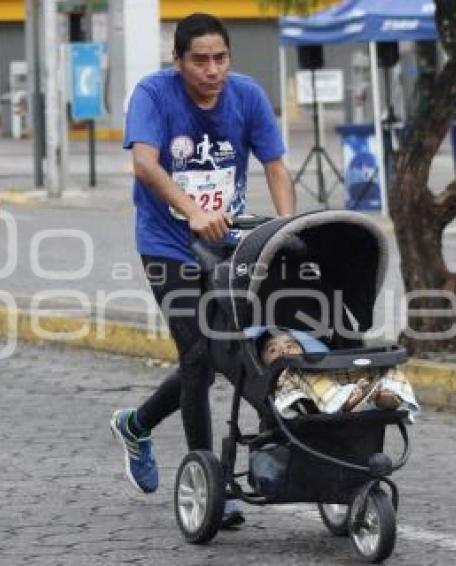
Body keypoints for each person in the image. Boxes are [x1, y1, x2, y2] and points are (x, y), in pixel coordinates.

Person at [110, 13, 296, 527]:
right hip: (167, 243)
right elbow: (145, 164)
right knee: (197, 354)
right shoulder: (154, 94)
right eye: (199, 60)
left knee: (236, 351)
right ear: (179, 61)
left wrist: (283, 231)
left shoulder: (247, 95)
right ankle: (208, 478)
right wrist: (191, 209)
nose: (211, 70)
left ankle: (137, 423)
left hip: (228, 245)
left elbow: (276, 166)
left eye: (220, 58)